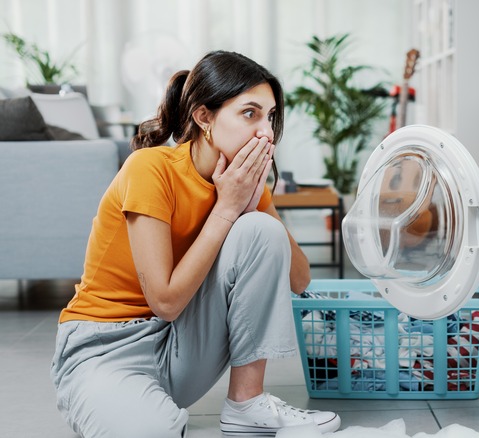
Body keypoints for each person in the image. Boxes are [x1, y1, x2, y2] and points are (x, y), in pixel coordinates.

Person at [49, 50, 341, 437]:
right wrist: (227, 209)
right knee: (151, 431)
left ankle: (247, 405)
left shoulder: (243, 183)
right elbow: (165, 302)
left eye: (270, 117)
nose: (267, 133)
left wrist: (253, 207)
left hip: (179, 347)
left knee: (260, 230)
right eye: (250, 113)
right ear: (204, 117)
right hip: (104, 348)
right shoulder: (150, 169)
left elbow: (300, 280)